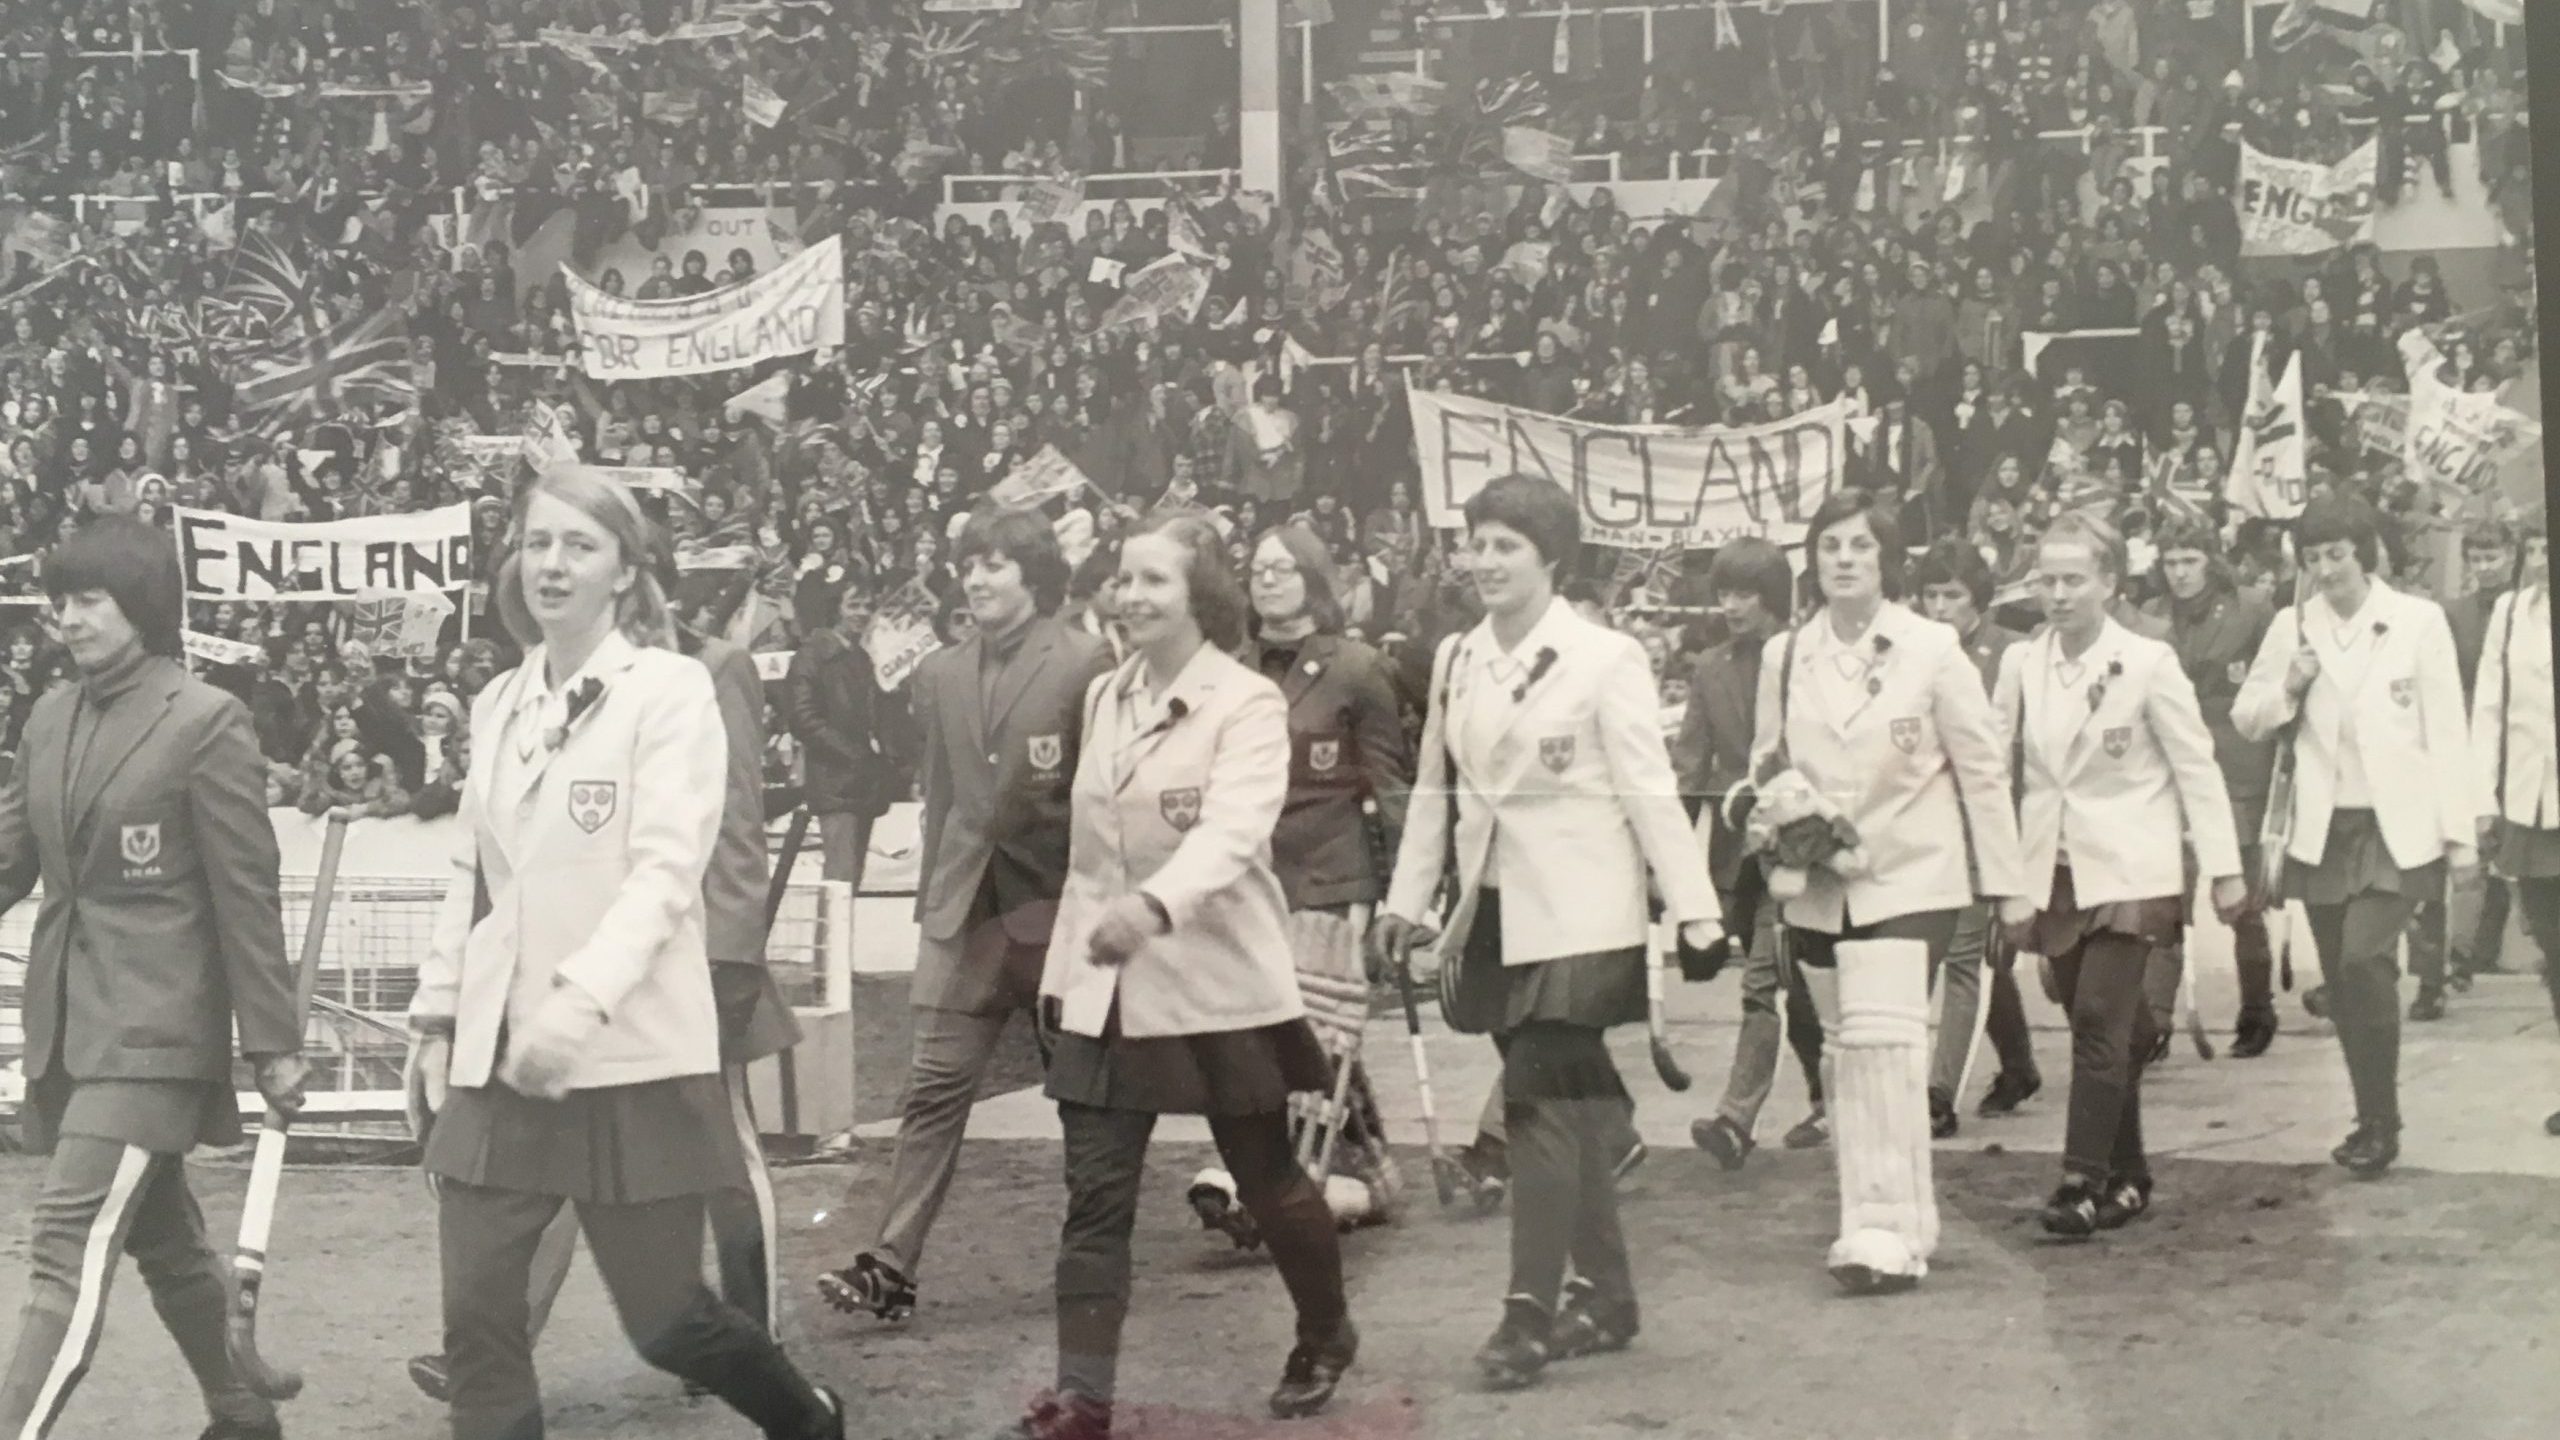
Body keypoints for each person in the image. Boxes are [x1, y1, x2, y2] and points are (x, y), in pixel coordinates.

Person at [401, 470, 843, 1440]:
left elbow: (664, 875)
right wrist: (437, 1014)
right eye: (536, 542)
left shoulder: (670, 691)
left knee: (667, 1324)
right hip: (503, 1058)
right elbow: (475, 876)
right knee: (478, 1316)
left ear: (625, 571)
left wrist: (576, 1004)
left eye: (579, 546)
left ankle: (805, 1419)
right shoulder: (494, 704)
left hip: (625, 1055)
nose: (550, 564)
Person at [1003, 512, 1355, 1440]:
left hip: (1215, 980)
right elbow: (1090, 858)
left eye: (1154, 580)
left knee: (1265, 1174)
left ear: (1202, 596)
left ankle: (1324, 1333)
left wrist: (1153, 908)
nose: (1131, 596)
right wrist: (1064, 973)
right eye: (1123, 579)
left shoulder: (1245, 703)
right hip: (1107, 988)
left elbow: (1232, 834)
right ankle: (1082, 1399)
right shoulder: (1104, 697)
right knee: (1096, 1195)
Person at [1374, 475, 1722, 1389]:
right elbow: (1438, 793)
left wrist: (1696, 908)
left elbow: (1650, 792)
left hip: (1582, 913)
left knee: (1535, 1102)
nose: (1484, 561)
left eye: (1505, 547)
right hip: (1491, 915)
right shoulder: (1456, 657)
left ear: (1551, 558)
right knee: (1566, 1113)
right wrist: (1403, 903)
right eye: (1477, 543)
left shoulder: (1605, 657)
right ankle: (1607, 1295)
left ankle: (1526, 1315)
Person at [0, 516, 309, 1440]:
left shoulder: (207, 719)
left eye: (90, 599)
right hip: (70, 1028)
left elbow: (245, 898)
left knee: (65, 1244)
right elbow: (11, 856)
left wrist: (275, 1045)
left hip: (154, 1036)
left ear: (141, 605)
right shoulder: (49, 714)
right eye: (61, 600)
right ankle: (246, 1412)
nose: (70, 617)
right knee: (167, 1244)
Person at [817, 508, 1113, 1323]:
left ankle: (1094, 1257)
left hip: (1056, 915)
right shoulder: (941, 673)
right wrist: (933, 906)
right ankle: (890, 1264)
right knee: (932, 1093)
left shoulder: (1087, 660)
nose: (977, 580)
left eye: (995, 565)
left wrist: (1094, 912)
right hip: (965, 917)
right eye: (970, 565)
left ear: (1034, 575)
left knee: (1085, 1100)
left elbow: (1103, 800)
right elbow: (942, 797)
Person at [1744, 492, 2028, 1294]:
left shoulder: (1933, 648)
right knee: (1841, 1053)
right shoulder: (1786, 654)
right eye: (1829, 545)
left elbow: (1980, 770)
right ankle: (1875, 1218)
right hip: (1818, 882)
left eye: (1860, 546)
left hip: (1911, 871)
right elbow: (1766, 763)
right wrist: (1785, 816)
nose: (1843, 559)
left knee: (1887, 1042)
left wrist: (2005, 887)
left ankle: (1889, 1231)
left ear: (1885, 560)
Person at [1992, 513, 2246, 1237]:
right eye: (2048, 579)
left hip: (2133, 866)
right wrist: (2000, 869)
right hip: (2056, 870)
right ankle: (2131, 1177)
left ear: (2109, 581)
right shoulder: (2021, 664)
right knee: (2100, 1025)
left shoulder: (2147, 661)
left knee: (2099, 1022)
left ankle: (2079, 1181)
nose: (2060, 594)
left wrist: (2225, 869)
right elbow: (1990, 765)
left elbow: (2196, 766)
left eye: (2075, 579)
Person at [2234, 494, 2475, 1179]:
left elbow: (2445, 729)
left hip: (2397, 826)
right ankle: (2374, 1116)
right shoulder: (2292, 626)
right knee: (2343, 980)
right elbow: (2252, 716)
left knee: (2365, 962)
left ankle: (2380, 1120)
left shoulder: (2415, 621)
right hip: (2323, 830)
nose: (2326, 570)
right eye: (2312, 558)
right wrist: (2290, 685)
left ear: (2363, 551)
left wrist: (2460, 837)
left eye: (2337, 554)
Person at [1186, 521, 1413, 1243]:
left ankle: (1284, 1178)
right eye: (1258, 569)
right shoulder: (1230, 666)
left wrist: (1408, 893)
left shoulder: (1356, 668)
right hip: (1253, 877)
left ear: (1315, 581)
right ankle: (1369, 1175)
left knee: (1315, 1034)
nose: (1267, 579)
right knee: (1275, 1032)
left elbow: (1390, 784)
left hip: (1331, 876)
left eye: (1284, 569)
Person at [1682, 537, 1831, 1169]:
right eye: (1723, 594)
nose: (1731, 606)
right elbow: (1690, 766)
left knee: (1762, 982)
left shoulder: (1810, 660)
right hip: (1735, 856)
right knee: (1788, 986)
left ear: (1773, 598)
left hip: (1797, 849)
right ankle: (1827, 1095)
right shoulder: (1709, 668)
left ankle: (1735, 1119)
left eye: (1744, 593)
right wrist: (1671, 863)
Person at [1909, 537, 2038, 1132]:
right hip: (1928, 824)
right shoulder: (1909, 653)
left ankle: (1939, 1094)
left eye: (1953, 595)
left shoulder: (2012, 654)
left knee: (1972, 959)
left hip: (1990, 823)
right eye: (1931, 594)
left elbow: (2020, 755)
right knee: (1976, 962)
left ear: (1978, 598)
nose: (1940, 607)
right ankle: (2011, 1067)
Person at [2146, 518, 2281, 1056]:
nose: (2179, 574)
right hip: (2170, 765)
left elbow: (2270, 680)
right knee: (2165, 898)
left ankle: (2257, 1009)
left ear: (2211, 560)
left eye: (2190, 561)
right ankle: (2154, 1021)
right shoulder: (2152, 618)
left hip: (2236, 763)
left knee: (2241, 899)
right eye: (2171, 562)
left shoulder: (2251, 609)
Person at [2463, 512, 2558, 1134]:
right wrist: (2482, 798)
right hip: (2532, 802)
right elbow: (2489, 709)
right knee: (2553, 946)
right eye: (2536, 544)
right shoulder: (2512, 614)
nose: (2541, 554)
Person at [786, 583, 912, 891]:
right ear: (836, 608)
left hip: (862, 779)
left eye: (868, 606)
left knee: (849, 881)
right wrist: (853, 754)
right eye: (854, 605)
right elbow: (802, 718)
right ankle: (831, 940)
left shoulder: (862, 656)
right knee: (839, 883)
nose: (862, 613)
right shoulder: (813, 655)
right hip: (836, 780)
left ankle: (838, 939)